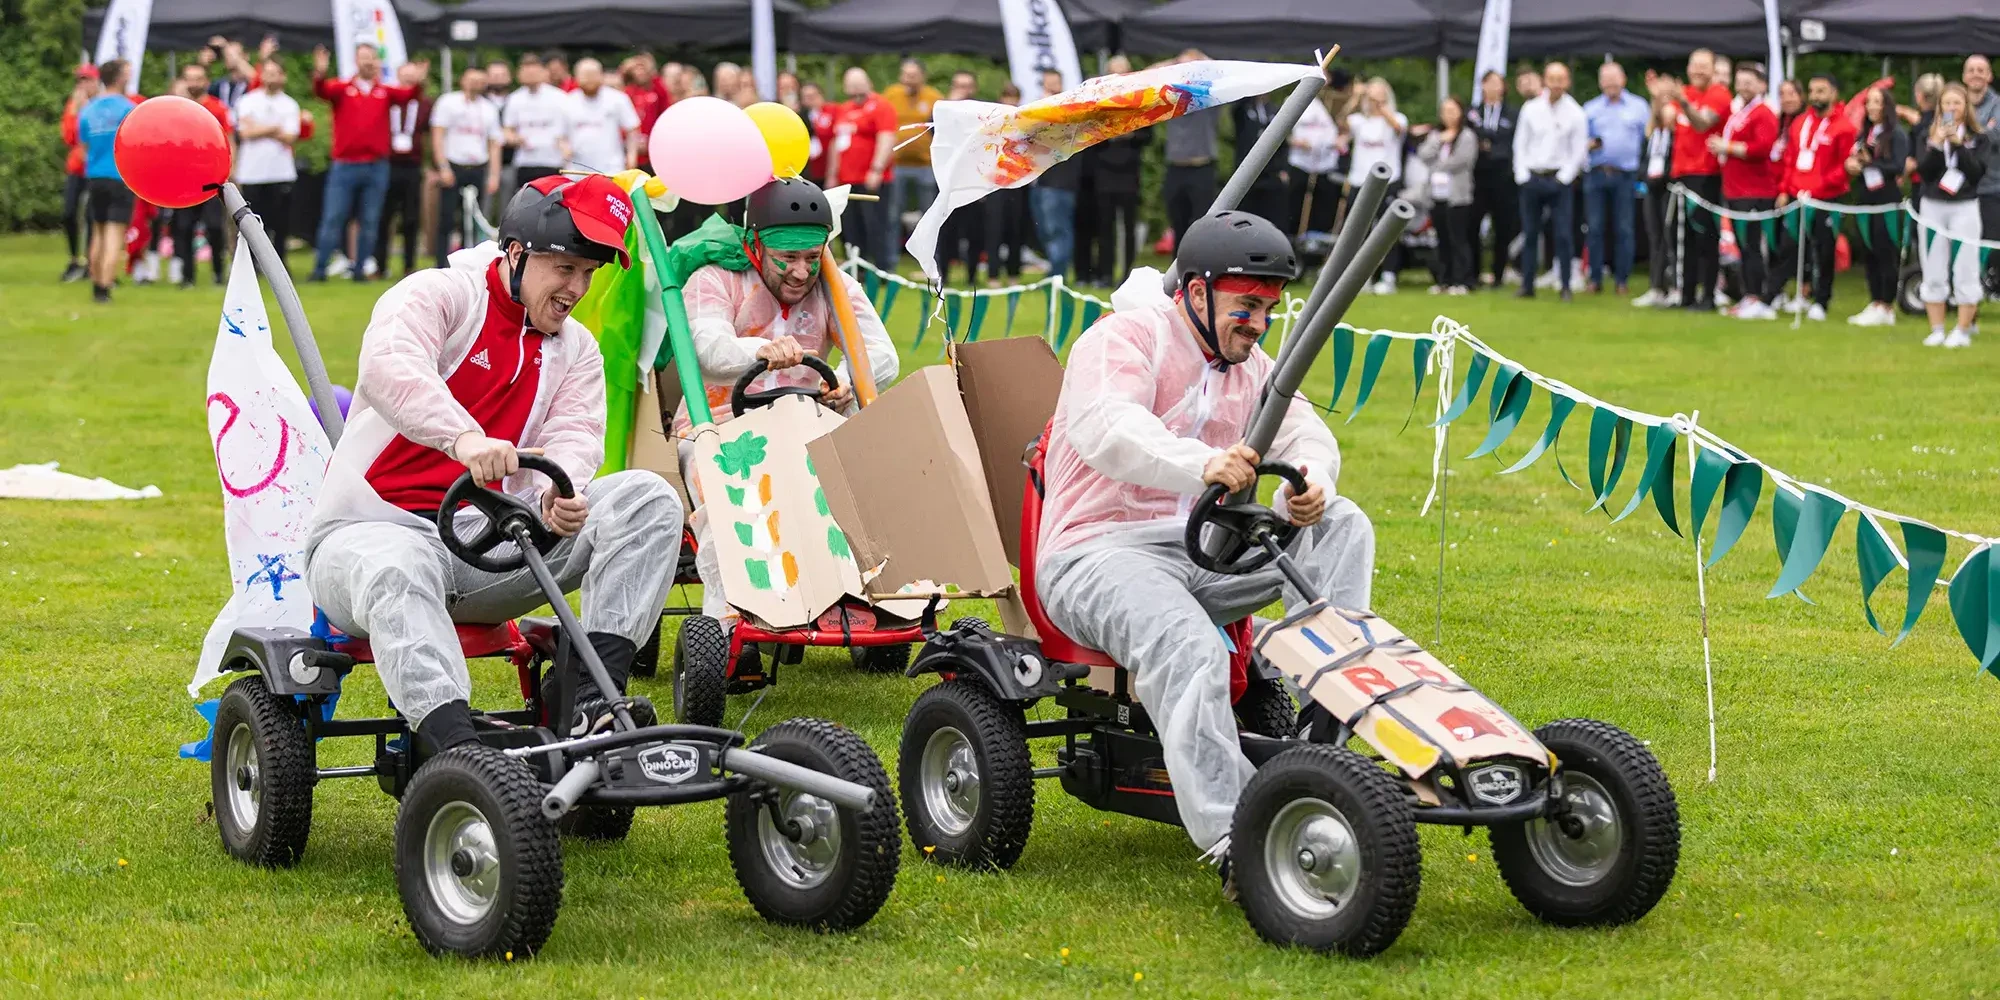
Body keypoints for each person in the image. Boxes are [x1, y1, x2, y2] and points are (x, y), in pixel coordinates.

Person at [1036, 210, 1373, 879]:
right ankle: (1238, 843)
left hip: (1200, 550)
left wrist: (1311, 482)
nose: (1257, 322)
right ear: (1196, 292)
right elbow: (1109, 427)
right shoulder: (1121, 341)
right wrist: (1200, 463)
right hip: (1093, 552)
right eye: (1246, 305)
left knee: (1343, 524)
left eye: (1268, 309)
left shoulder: (1253, 366)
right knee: (1187, 643)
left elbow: (1302, 431)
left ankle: (1325, 733)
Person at [306, 174, 682, 755]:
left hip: (492, 548)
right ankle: (456, 749)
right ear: (515, 252)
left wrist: (558, 494)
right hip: (367, 536)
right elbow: (389, 367)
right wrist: (462, 438)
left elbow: (575, 435)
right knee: (397, 565)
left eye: (589, 272)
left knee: (648, 499)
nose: (577, 287)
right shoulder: (438, 295)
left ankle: (589, 703)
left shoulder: (576, 348)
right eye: (565, 269)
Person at [676, 178, 900, 620]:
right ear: (756, 245)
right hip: (718, 430)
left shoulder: (835, 287)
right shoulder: (714, 280)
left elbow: (882, 356)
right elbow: (708, 350)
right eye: (788, 259)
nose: (801, 272)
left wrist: (840, 379)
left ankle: (876, 602)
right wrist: (759, 351)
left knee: (870, 490)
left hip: (809, 425)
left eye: (812, 258)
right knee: (731, 508)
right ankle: (728, 621)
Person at [310, 44, 424, 283]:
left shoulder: (385, 92)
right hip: (345, 164)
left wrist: (418, 81)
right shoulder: (343, 89)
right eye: (364, 58)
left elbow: (409, 97)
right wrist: (319, 72)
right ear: (356, 61)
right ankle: (320, 268)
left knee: (369, 220)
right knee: (333, 218)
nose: (368, 62)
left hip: (376, 165)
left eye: (372, 58)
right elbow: (321, 91)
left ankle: (360, 269)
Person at [1771, 74, 1857, 322]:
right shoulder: (1800, 123)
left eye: (1822, 91)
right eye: (1812, 90)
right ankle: (1776, 294)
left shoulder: (1844, 127)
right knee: (1790, 246)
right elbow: (1790, 159)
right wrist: (1785, 189)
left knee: (1824, 250)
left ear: (1833, 94)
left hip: (1827, 198)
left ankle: (1821, 300)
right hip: (1798, 197)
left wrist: (1822, 185)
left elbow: (1845, 167)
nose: (1816, 96)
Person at [1914, 84, 1986, 348]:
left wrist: (1959, 146)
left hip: (1964, 206)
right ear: (1939, 107)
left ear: (1965, 107)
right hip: (1933, 206)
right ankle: (1936, 328)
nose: (1951, 108)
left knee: (1965, 265)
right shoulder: (1926, 136)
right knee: (1933, 264)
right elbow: (1924, 173)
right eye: (1947, 103)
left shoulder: (1979, 137)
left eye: (1957, 103)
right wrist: (1937, 144)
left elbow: (1976, 173)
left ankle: (1963, 329)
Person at [1513, 61, 1588, 300]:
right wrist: (1522, 175)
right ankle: (1527, 284)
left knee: (1563, 234)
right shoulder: (1531, 109)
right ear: (1544, 80)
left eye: (1561, 79)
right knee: (1530, 232)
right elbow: (1520, 143)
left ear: (1567, 82)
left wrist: (1564, 178)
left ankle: (1565, 284)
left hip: (1559, 180)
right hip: (1533, 177)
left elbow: (1578, 151)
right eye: (1551, 79)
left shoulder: (1576, 113)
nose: (1556, 84)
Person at [1713, 63, 1779, 320]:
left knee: (1752, 245)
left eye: (1749, 82)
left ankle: (1758, 295)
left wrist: (1727, 147)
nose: (1743, 87)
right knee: (1743, 245)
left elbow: (1761, 148)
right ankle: (1749, 293)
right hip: (1736, 188)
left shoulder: (1763, 113)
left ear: (1762, 85)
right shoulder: (1740, 111)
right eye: (1740, 82)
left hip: (1755, 190)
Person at [1668, 50, 1733, 310]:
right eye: (1694, 65)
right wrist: (1660, 98)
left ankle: (1707, 295)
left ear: (1713, 69)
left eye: (1704, 67)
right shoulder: (1686, 92)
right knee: (1681, 236)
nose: (1698, 71)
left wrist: (1683, 103)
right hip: (1680, 174)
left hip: (1705, 174)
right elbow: (1666, 120)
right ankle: (1685, 295)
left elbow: (1702, 125)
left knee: (1704, 236)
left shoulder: (1718, 94)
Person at [1582, 61, 1649, 295]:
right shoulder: (1590, 108)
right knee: (1595, 228)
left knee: (1624, 228)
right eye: (1606, 80)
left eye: (1614, 79)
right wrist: (1589, 145)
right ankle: (1595, 278)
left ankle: (1622, 279)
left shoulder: (1639, 107)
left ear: (1623, 80)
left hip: (1626, 175)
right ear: (1600, 83)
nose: (1611, 84)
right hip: (1597, 173)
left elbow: (1647, 139)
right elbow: (1579, 142)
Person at [1846, 86, 1909, 327]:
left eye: (1877, 102)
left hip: (1887, 200)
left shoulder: (1896, 134)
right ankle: (1874, 301)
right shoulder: (1866, 133)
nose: (1872, 106)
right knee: (1869, 251)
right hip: (1866, 198)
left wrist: (1870, 163)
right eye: (1869, 102)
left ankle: (1887, 304)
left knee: (1885, 251)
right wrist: (1853, 165)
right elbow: (1858, 161)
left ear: (1887, 106)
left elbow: (1897, 166)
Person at [430, 66, 503, 268]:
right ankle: (441, 263)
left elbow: (494, 143)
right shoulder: (448, 102)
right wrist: (443, 167)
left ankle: (465, 264)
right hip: (454, 165)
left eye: (480, 80)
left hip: (478, 167)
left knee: (472, 219)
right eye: (472, 79)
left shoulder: (489, 109)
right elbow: (438, 136)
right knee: (446, 217)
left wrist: (494, 175)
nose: (476, 84)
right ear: (462, 80)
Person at [234, 58, 303, 269]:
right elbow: (245, 132)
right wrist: (274, 128)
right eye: (268, 72)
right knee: (252, 222)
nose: (271, 77)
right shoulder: (247, 101)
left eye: (276, 73)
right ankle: (253, 264)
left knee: (280, 223)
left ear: (283, 77)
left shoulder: (289, 104)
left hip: (280, 172)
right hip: (252, 173)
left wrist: (260, 128)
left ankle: (280, 263)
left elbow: (291, 136)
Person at [172, 62, 236, 288]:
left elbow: (229, 139)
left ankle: (218, 272)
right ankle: (187, 276)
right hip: (184, 177)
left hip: (210, 177)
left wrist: (230, 170)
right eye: (189, 78)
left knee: (215, 227)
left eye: (198, 78)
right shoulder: (177, 109)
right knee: (184, 227)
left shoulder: (217, 108)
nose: (194, 83)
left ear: (206, 82)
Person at [77, 60, 137, 304]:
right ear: (120, 78)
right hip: (119, 176)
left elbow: (82, 148)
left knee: (97, 232)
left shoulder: (89, 109)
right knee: (114, 234)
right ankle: (105, 287)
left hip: (95, 176)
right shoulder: (128, 108)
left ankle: (95, 285)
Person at [826, 67, 898, 267]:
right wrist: (832, 174)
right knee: (851, 227)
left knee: (876, 225)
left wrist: (876, 169)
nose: (855, 87)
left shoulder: (881, 106)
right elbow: (835, 143)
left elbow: (887, 138)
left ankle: (882, 268)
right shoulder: (844, 109)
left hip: (872, 178)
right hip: (846, 179)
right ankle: (858, 267)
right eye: (851, 83)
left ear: (868, 83)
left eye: (859, 82)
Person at [1347, 77, 1409, 294]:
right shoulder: (1357, 121)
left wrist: (1382, 107)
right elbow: (1339, 124)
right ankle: (1360, 277)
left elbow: (1400, 129)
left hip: (1388, 182)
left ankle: (1389, 275)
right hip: (1360, 180)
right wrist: (1356, 97)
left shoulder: (1397, 118)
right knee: (1359, 231)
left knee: (1387, 230)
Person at [1093, 60, 1149, 285]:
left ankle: (1126, 274)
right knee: (1104, 225)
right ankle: (1105, 273)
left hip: (1128, 173)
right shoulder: (1100, 103)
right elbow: (1091, 136)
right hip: (1105, 172)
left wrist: (1131, 136)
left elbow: (1148, 135)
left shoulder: (1139, 103)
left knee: (1128, 227)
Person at [882, 59, 941, 267]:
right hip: (896, 165)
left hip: (926, 165)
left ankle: (931, 261)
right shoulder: (891, 95)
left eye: (913, 75)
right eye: (905, 75)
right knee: (892, 215)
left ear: (922, 77)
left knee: (930, 216)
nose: (909, 79)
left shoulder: (934, 97)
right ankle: (890, 262)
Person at [376, 61, 432, 279]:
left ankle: (409, 265)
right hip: (387, 164)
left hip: (412, 165)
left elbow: (430, 133)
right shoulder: (387, 101)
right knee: (383, 216)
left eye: (413, 78)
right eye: (405, 78)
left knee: (411, 217)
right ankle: (380, 265)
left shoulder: (425, 104)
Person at [1419, 96, 1479, 294]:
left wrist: (1438, 166)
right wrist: (1438, 141)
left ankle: (1462, 280)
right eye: (1445, 111)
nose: (1449, 115)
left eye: (1453, 111)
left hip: (1458, 196)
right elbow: (1423, 154)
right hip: (1437, 194)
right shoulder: (1436, 135)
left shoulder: (1467, 136)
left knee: (1458, 239)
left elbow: (1462, 161)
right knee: (1441, 238)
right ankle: (1444, 279)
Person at [1469, 70, 1520, 288]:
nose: (1492, 87)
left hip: (1503, 178)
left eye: (1496, 83)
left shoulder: (1513, 113)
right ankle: (1474, 273)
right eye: (1488, 83)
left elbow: (1508, 143)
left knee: (1503, 227)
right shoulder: (1473, 112)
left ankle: (1498, 274)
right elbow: (1473, 137)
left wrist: (1490, 143)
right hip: (1478, 178)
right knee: (1472, 226)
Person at [936, 72, 987, 285]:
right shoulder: (942, 110)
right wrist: (952, 106)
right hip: (947, 182)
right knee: (946, 231)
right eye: (959, 85)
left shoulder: (982, 112)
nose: (963, 90)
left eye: (967, 86)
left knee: (974, 231)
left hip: (973, 180)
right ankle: (944, 275)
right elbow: (933, 133)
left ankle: (972, 276)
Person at [1032, 69, 1082, 280]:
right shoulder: (1038, 109)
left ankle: (1058, 274)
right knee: (1044, 228)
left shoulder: (1069, 110)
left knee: (1057, 228)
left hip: (1061, 181)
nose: (1051, 87)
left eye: (1054, 83)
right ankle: (1054, 268)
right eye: (1047, 83)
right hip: (1041, 180)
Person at [1636, 92, 1680, 307]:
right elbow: (1645, 159)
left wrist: (1663, 176)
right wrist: (1645, 176)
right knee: (1655, 238)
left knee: (1671, 237)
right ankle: (1656, 287)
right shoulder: (1653, 133)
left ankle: (1675, 286)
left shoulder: (1677, 133)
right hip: (1651, 189)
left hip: (1669, 188)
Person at [985, 84, 1032, 284]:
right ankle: (992, 273)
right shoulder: (993, 121)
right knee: (994, 228)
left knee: (1016, 228)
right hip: (996, 181)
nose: (1010, 101)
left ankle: (1014, 273)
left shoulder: (1026, 122)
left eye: (1014, 97)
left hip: (1018, 181)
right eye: (1007, 96)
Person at [503, 54, 571, 191]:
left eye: (534, 72)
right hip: (525, 162)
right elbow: (507, 130)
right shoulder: (514, 99)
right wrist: (516, 139)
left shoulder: (560, 98)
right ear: (519, 74)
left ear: (544, 73)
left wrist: (565, 145)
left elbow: (571, 129)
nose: (530, 76)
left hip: (553, 161)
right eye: (526, 72)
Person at [1962, 56, 2000, 299]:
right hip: (1960, 189)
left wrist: (1968, 133)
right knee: (1964, 240)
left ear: (1989, 76)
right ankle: (1966, 288)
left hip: (1992, 186)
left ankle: (1992, 286)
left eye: (1981, 70)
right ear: (1965, 76)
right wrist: (1982, 130)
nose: (1976, 74)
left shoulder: (1998, 104)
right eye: (1971, 70)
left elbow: (1994, 136)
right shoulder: (1956, 102)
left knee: (1991, 240)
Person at [59, 65, 100, 283]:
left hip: (95, 168)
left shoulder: (102, 105)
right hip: (77, 167)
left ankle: (92, 263)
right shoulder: (73, 106)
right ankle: (75, 258)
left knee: (93, 217)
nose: (84, 85)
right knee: (68, 213)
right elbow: (69, 138)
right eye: (81, 81)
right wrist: (77, 112)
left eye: (88, 80)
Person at [565, 58, 640, 175]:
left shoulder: (617, 99)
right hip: (576, 170)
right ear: (576, 77)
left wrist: (631, 157)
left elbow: (632, 129)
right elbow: (559, 134)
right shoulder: (567, 101)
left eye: (593, 74)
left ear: (601, 75)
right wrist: (564, 148)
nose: (589, 79)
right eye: (585, 75)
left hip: (611, 168)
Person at [1231, 89, 1291, 228]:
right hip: (1246, 173)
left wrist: (1284, 168)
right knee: (1244, 218)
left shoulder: (1275, 111)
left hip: (1271, 174)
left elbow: (1283, 143)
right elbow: (1237, 106)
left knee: (1272, 219)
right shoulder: (1245, 110)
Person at [621, 53, 673, 173]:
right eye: (637, 69)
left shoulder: (657, 90)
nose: (640, 72)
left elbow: (665, 115)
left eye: (643, 68)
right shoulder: (628, 92)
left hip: (653, 151)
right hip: (633, 151)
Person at [801, 81, 831, 182]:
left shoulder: (832, 112)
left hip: (828, 168)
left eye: (813, 96)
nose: (810, 100)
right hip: (809, 172)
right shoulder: (801, 116)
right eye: (806, 97)